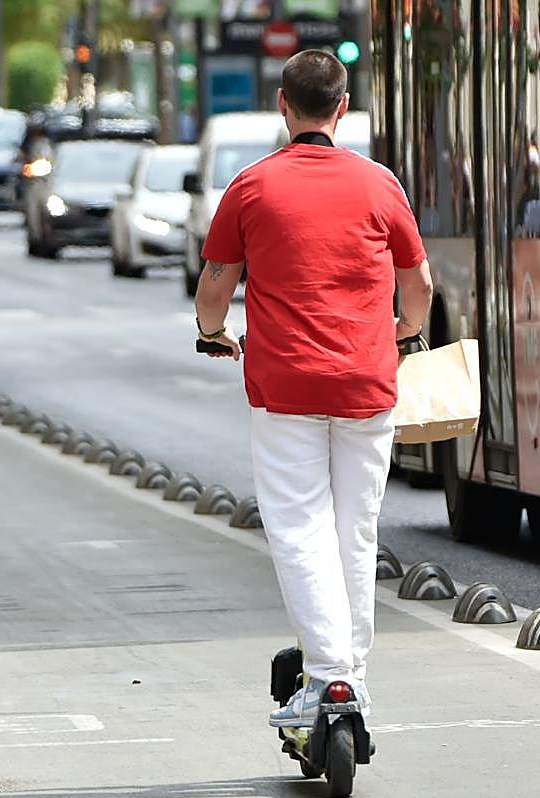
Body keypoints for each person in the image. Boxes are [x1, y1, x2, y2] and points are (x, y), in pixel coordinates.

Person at [194, 50, 433, 728]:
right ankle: (353, 679)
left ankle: (329, 677)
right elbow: (417, 284)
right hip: (368, 384)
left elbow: (214, 287)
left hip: (286, 389)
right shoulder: (380, 185)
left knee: (300, 529)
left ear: (283, 105)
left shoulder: (251, 187)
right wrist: (406, 329)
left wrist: (212, 332)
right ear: (343, 107)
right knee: (355, 532)